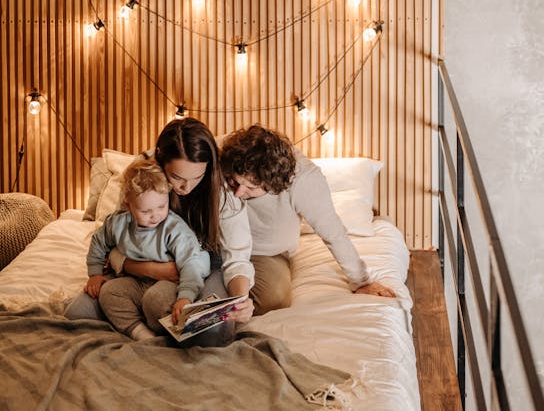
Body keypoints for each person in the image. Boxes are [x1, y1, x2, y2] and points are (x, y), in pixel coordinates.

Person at [65, 118, 255, 339]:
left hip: (201, 269)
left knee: (212, 332)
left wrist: (241, 300)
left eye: (197, 177)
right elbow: (119, 236)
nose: (186, 187)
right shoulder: (140, 177)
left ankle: (154, 319)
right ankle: (144, 324)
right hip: (141, 268)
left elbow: (237, 258)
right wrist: (151, 269)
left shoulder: (222, 191)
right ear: (160, 161)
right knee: (76, 314)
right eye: (176, 177)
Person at [219, 125, 396, 316]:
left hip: (263, 252)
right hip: (214, 240)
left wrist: (362, 281)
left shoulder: (304, 179)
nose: (237, 192)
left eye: (250, 187)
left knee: (274, 300)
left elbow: (333, 232)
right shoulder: (224, 156)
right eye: (233, 182)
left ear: (272, 183)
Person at [85, 159, 210, 340]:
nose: (155, 216)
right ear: (128, 206)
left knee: (155, 301)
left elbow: (191, 263)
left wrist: (186, 297)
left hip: (170, 283)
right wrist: (94, 273)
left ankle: (164, 331)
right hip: (136, 281)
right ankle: (140, 332)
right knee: (108, 293)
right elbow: (98, 241)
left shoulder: (174, 228)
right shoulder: (117, 223)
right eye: (146, 211)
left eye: (161, 206)